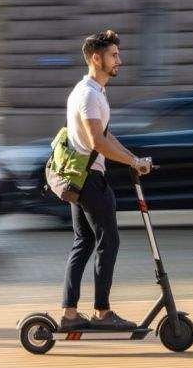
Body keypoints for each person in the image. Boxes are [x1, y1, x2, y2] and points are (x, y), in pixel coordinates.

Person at [59, 30, 152, 331]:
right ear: (96, 59)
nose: (119, 61)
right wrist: (132, 162)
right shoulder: (88, 95)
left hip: (80, 177)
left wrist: (133, 158)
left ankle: (70, 314)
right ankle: (102, 313)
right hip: (90, 180)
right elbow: (97, 141)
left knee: (84, 241)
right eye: (114, 55)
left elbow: (107, 135)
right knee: (108, 241)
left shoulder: (91, 92)